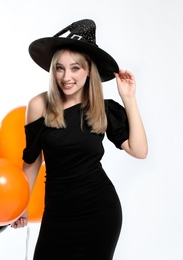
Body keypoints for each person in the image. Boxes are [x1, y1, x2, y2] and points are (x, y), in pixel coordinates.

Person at [11, 19, 148, 260]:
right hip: (57, 214)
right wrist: (20, 204)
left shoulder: (102, 109)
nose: (66, 77)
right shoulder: (39, 106)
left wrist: (129, 98)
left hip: (99, 211)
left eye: (75, 68)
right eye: (60, 68)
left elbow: (139, 150)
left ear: (89, 70)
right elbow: (32, 160)